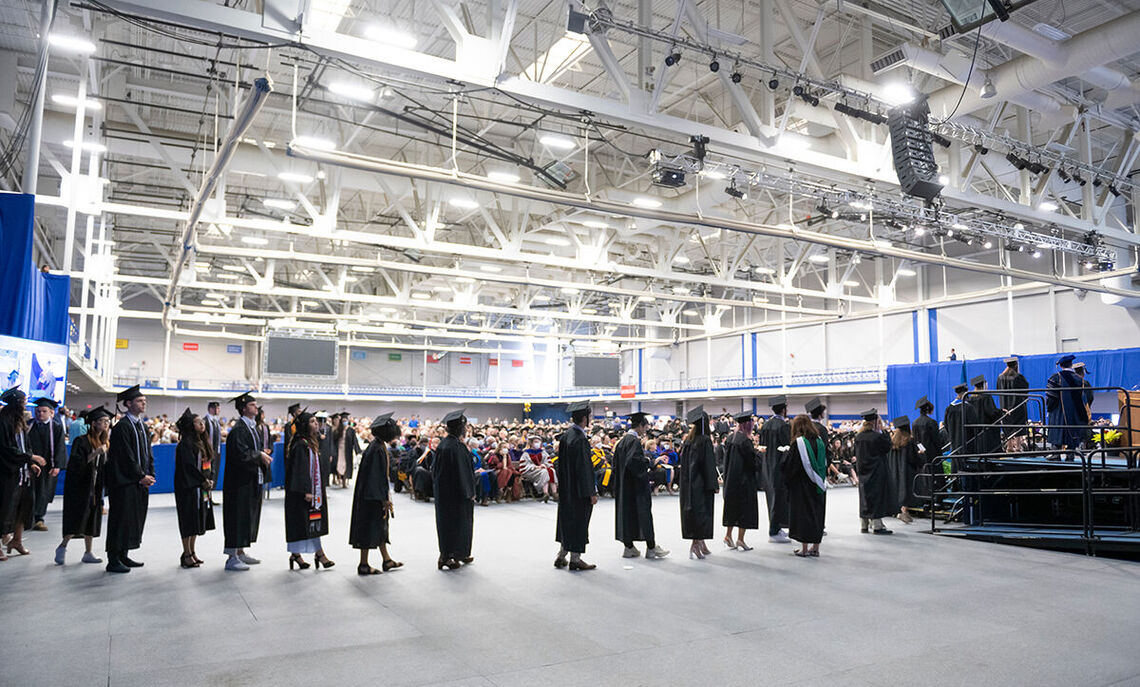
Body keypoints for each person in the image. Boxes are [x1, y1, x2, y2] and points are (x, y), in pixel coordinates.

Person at [104, 385, 156, 573]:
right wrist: (140, 476)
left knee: (132, 519)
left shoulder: (141, 425)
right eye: (140, 401)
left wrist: (151, 474)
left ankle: (124, 555)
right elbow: (125, 457)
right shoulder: (122, 427)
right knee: (120, 519)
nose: (144, 404)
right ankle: (113, 559)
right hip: (124, 482)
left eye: (144, 401)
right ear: (128, 403)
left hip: (138, 482)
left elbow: (148, 453)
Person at [222, 391, 273, 571]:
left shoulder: (252, 427)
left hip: (250, 479)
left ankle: (241, 551)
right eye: (252, 405)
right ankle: (231, 557)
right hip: (238, 482)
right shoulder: (238, 429)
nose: (256, 407)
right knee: (237, 517)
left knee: (246, 517)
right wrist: (259, 455)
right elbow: (240, 454)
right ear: (244, 409)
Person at [55, 406, 111, 565]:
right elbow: (75, 464)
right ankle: (62, 546)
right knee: (77, 518)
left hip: (96, 488)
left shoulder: (105, 442)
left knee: (92, 519)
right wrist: (94, 453)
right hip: (80, 486)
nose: (106, 424)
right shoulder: (81, 441)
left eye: (107, 421)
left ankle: (88, 552)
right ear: (94, 423)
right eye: (102, 421)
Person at [349, 413, 403, 575]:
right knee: (368, 528)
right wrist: (383, 499)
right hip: (371, 497)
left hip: (370, 494)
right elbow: (376, 477)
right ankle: (363, 564)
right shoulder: (377, 449)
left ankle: (386, 560)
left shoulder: (377, 446)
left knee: (380, 528)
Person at [612, 411, 667, 560]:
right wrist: (650, 462)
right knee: (643, 514)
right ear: (641, 426)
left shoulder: (622, 442)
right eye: (646, 426)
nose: (646, 429)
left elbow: (616, 465)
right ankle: (651, 548)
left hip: (624, 486)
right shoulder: (634, 441)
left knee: (627, 515)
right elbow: (634, 462)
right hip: (636, 486)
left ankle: (629, 547)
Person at [284, 410, 334, 570]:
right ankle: (301, 554)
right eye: (312, 421)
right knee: (302, 523)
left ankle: (315, 553)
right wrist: (306, 491)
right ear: (305, 426)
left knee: (313, 521)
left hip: (312, 492)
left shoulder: (309, 443)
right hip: (302, 494)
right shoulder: (300, 445)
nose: (316, 424)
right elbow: (300, 470)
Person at [0, 387, 46, 560]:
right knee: (4, 509)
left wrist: (30, 462)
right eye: (23, 402)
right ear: (15, 403)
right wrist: (31, 457)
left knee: (23, 506)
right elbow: (6, 449)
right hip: (7, 473)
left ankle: (17, 540)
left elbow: (24, 445)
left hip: (22, 472)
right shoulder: (3, 421)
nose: (25, 405)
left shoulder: (20, 421)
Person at [554, 400, 597, 571]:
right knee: (579, 522)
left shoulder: (566, 436)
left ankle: (561, 555)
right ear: (585, 419)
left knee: (567, 521)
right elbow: (585, 470)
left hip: (567, 488)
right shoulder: (580, 439)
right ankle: (575, 559)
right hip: (579, 491)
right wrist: (591, 492)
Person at [433, 409, 476, 570]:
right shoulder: (456, 447)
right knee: (456, 525)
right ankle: (448, 555)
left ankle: (458, 553)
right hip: (457, 493)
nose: (465, 430)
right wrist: (469, 491)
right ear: (459, 429)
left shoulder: (444, 444)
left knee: (450, 524)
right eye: (463, 427)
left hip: (444, 492)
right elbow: (463, 472)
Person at [172, 409, 215, 568]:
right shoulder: (185, 444)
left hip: (200, 487)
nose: (202, 424)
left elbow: (208, 465)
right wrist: (202, 480)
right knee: (188, 520)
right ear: (191, 425)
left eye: (202, 422)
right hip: (188, 488)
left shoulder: (202, 442)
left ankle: (192, 551)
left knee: (196, 520)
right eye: (198, 422)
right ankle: (186, 553)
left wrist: (209, 479)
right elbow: (188, 468)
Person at [782, 414, 827, 557]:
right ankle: (816, 547)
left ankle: (805, 549)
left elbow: (791, 467)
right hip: (819, 485)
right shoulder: (819, 441)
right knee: (817, 514)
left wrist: (784, 456)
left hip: (802, 486)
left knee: (804, 515)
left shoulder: (799, 443)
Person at [679, 406, 718, 560]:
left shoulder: (689, 440)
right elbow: (708, 465)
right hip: (701, 485)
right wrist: (713, 484)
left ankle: (700, 542)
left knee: (694, 513)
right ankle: (695, 545)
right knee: (701, 514)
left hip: (688, 484)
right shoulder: (705, 441)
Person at [721, 410, 761, 551]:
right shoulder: (745, 441)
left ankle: (728, 535)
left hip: (731, 480)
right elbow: (751, 463)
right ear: (747, 424)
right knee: (744, 509)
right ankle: (740, 540)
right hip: (744, 481)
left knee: (732, 508)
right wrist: (758, 454)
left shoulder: (731, 438)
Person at [27, 397, 65, 532]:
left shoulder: (56, 427)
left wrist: (57, 465)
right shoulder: (29, 425)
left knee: (43, 492)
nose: (40, 414)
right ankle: (26, 518)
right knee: (29, 492)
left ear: (51, 413)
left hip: (48, 466)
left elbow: (60, 446)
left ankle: (39, 519)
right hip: (30, 465)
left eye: (44, 411)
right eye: (38, 411)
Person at [854, 408, 894, 535]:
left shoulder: (858, 437)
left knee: (864, 497)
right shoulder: (878, 437)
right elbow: (888, 447)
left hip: (863, 471)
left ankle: (864, 525)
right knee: (877, 496)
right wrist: (883, 430)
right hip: (876, 471)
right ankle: (877, 525)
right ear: (875, 422)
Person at [758, 395, 792, 543]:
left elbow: (762, 447)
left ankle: (776, 527)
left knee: (771, 497)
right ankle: (773, 531)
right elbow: (786, 449)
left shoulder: (765, 425)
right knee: (779, 498)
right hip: (779, 467)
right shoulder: (783, 426)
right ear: (783, 410)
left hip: (767, 466)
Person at [1046, 355, 1089, 458]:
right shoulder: (1079, 379)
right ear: (1071, 365)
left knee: (1058, 430)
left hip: (1059, 411)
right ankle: (1071, 455)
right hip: (1074, 412)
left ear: (1061, 366)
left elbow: (1051, 397)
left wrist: (1049, 407)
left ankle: (1056, 455)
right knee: (1072, 432)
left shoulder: (1056, 378)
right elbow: (1083, 398)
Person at [887, 416, 924, 524]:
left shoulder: (892, 441)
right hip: (907, 471)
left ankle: (898, 511)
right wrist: (921, 455)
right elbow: (913, 458)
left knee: (898, 489)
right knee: (906, 490)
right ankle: (904, 512)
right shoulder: (909, 441)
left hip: (894, 470)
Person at [911, 397, 942, 500]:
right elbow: (936, 440)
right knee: (935, 476)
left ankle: (925, 498)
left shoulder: (914, 423)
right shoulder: (931, 422)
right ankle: (937, 499)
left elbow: (915, 439)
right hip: (932, 453)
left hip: (920, 453)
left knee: (924, 475)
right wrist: (939, 453)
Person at [996, 357, 1029, 451]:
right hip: (1017, 405)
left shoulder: (1000, 378)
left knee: (1007, 425)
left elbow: (998, 390)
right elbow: (1025, 390)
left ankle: (1009, 446)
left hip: (1005, 405)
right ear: (1016, 365)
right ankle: (1018, 447)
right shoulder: (1018, 377)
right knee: (1018, 425)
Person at [967, 375, 1002, 454]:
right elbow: (991, 412)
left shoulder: (969, 398)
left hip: (975, 430)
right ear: (983, 384)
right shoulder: (986, 397)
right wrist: (1001, 412)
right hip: (987, 430)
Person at [944, 383, 980, 456]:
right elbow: (975, 425)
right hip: (967, 443)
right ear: (964, 393)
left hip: (954, 443)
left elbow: (946, 425)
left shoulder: (949, 408)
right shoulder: (968, 407)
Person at [331, 411, 358, 489]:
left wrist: (357, 451)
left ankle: (344, 482)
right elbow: (334, 440)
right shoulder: (338, 430)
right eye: (343, 421)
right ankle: (339, 479)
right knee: (339, 465)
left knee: (346, 466)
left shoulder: (351, 430)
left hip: (347, 451)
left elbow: (354, 441)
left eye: (345, 421)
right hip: (339, 450)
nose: (344, 422)